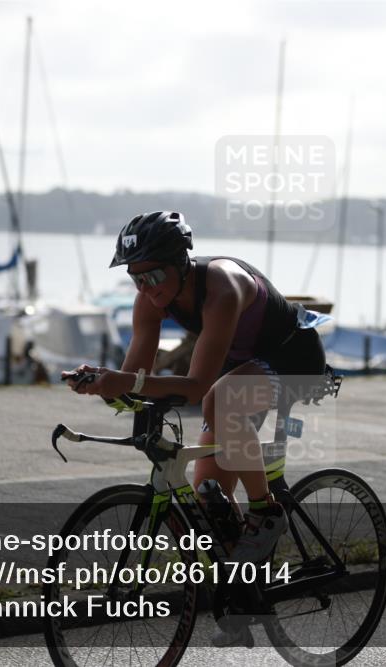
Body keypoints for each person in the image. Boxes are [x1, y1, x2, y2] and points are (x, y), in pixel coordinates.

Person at [66, 211, 326, 566]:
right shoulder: (149, 299)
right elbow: (133, 381)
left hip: (294, 356)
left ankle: (266, 511)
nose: (146, 287)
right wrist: (100, 383)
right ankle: (246, 582)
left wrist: (124, 381)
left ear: (180, 263)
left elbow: (197, 387)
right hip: (245, 364)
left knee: (221, 399)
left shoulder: (223, 286)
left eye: (154, 275)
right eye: (136, 278)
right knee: (210, 498)